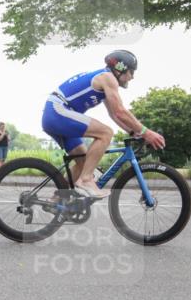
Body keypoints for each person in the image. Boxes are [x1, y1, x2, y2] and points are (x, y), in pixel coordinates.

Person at [41, 50, 166, 198]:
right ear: (120, 68)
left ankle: (58, 200)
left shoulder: (105, 78)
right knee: (106, 133)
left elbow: (114, 114)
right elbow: (120, 111)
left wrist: (133, 132)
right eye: (131, 72)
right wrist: (146, 132)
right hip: (58, 112)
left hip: (56, 115)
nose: (132, 77)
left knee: (84, 162)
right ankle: (86, 180)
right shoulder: (108, 78)